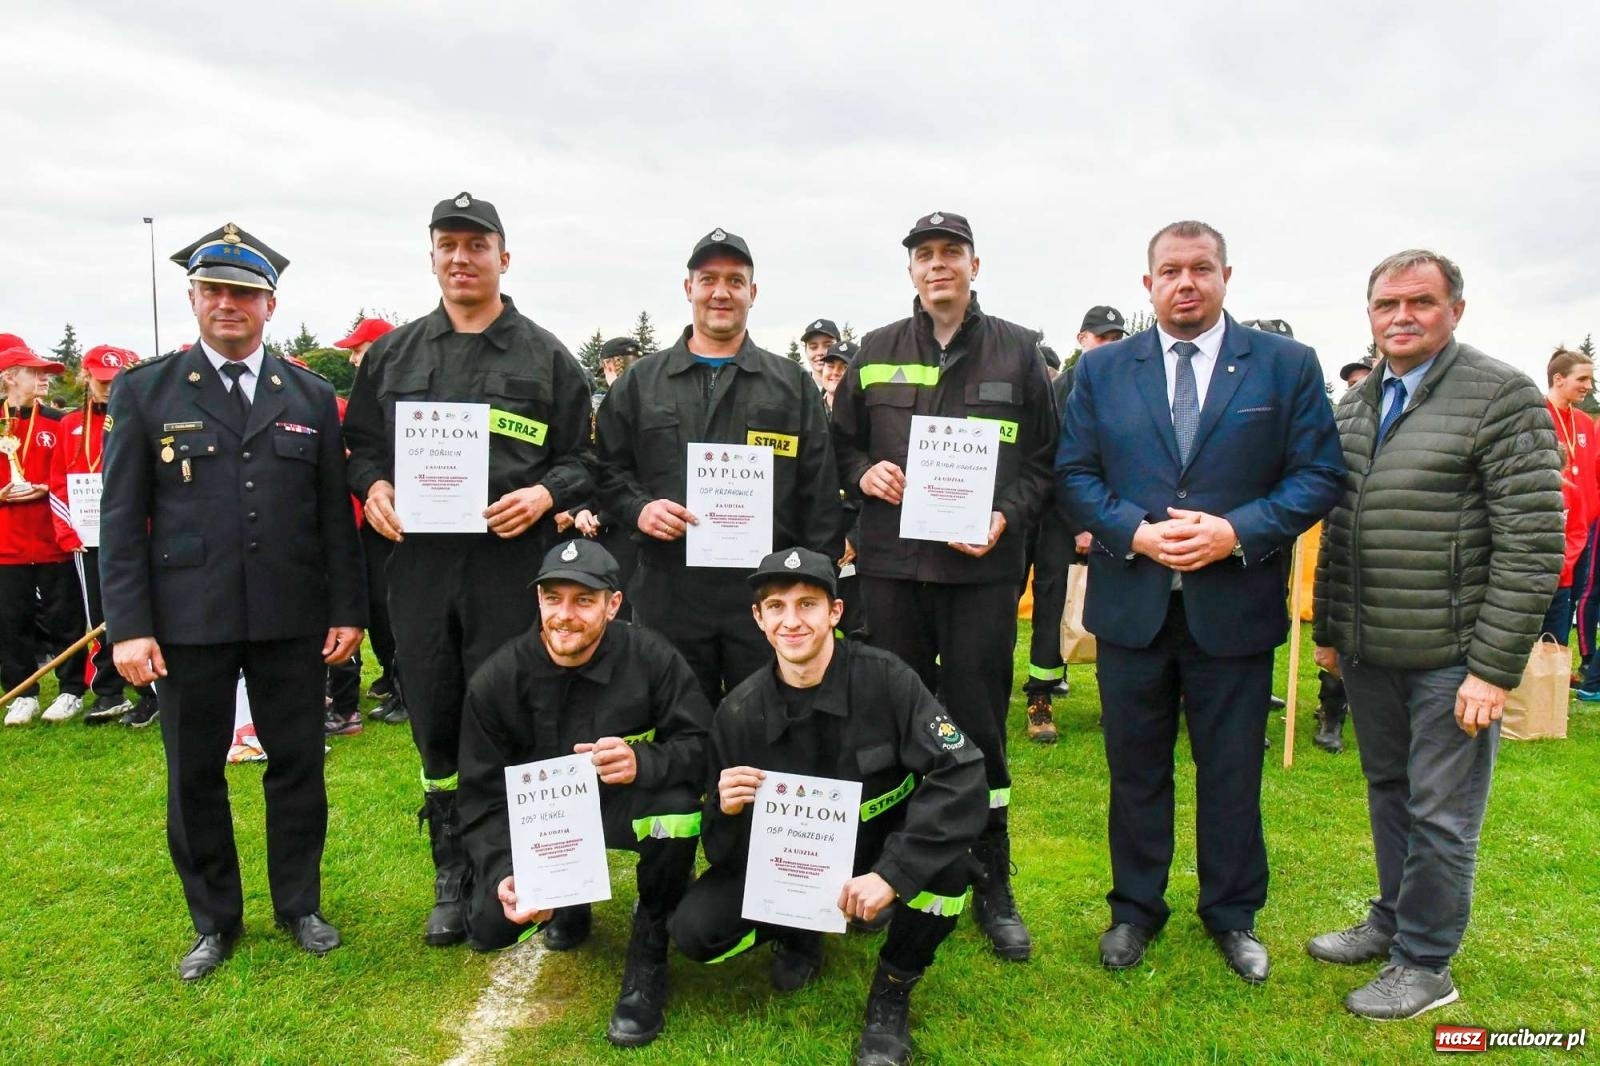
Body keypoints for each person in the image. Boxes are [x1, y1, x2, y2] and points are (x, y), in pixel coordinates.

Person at [1057, 220, 1343, 983]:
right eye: (1170, 271)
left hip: (1233, 607)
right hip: (1133, 609)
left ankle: (1233, 914)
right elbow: (1075, 474)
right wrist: (1136, 534)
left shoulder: (1284, 366)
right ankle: (1134, 910)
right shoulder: (1103, 370)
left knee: (1229, 773)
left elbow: (1317, 475)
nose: (1186, 282)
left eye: (1201, 269)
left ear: (1226, 276)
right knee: (1135, 770)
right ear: (1147, 282)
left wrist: (1237, 531)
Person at [99, 222, 366, 980]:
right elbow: (119, 521)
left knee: (297, 767)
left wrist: (347, 609)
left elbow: (330, 520)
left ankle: (299, 905)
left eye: (244, 294)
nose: (228, 305)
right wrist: (129, 628)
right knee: (194, 775)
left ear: (270, 306)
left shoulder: (309, 395)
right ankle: (215, 921)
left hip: (289, 616)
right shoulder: (146, 390)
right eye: (215, 290)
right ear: (193, 298)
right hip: (189, 620)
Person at [1310, 249, 1563, 1019]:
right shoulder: (1357, 406)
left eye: (1420, 302)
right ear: (1370, 316)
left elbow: (1533, 541)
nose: (1402, 317)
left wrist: (1492, 668)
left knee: (1443, 813)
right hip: (1372, 649)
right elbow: (1341, 528)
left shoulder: (1501, 396)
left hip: (1453, 658)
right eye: (1387, 305)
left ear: (1456, 309)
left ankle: (1426, 962)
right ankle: (1393, 919)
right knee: (1390, 791)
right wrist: (1329, 630)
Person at [344, 192, 594, 948]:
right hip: (419, 568)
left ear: (503, 258)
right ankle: (453, 869)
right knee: (436, 717)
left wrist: (546, 492)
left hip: (508, 565)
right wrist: (374, 487)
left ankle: (551, 876)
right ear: (432, 258)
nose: (462, 258)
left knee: (529, 715)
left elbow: (586, 460)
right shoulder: (393, 355)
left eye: (477, 245)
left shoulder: (545, 355)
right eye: (447, 245)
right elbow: (358, 448)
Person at [830, 210, 1055, 961]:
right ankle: (893, 870)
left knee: (978, 724)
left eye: (950, 253)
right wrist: (863, 471)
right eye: (924, 255)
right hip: (892, 570)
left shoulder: (1020, 352)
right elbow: (839, 446)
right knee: (892, 723)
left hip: (980, 572)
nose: (937, 266)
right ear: (911, 271)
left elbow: (1045, 464)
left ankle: (992, 875)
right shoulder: (874, 350)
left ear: (974, 264)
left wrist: (1005, 514)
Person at [669, 548, 987, 1066]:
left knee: (946, 870)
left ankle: (891, 990)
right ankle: (799, 929)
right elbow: (724, 853)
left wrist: (894, 873)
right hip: (790, 866)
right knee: (695, 932)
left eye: (808, 605)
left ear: (835, 613)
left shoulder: (888, 679)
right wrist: (724, 810)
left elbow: (962, 769)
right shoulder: (738, 713)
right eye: (776, 606)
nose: (791, 621)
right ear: (759, 618)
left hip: (877, 854)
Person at [457, 539, 710, 1048]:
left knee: (677, 811)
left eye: (583, 600)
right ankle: (566, 901)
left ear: (614, 605)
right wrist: (504, 870)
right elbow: (481, 796)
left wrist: (644, 761)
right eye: (553, 598)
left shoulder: (653, 656)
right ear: (539, 601)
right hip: (543, 822)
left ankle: (649, 946)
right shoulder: (497, 678)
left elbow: (701, 745)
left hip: (621, 802)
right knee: (490, 929)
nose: (564, 616)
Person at [593, 228, 842, 707]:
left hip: (764, 591)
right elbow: (606, 469)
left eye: (735, 280)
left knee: (771, 723)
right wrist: (639, 509)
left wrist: (812, 584)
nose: (721, 292)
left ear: (753, 291)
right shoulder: (642, 384)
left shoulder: (790, 385)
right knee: (678, 722)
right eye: (709, 279)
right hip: (670, 589)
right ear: (689, 288)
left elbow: (819, 490)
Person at [1022, 307, 1127, 742]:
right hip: (1058, 521)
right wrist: (1081, 524)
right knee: (1053, 607)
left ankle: (1116, 702)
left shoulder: (1128, 389)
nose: (1109, 344)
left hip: (1111, 520)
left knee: (1114, 611)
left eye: (1116, 336)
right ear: (1082, 338)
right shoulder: (1060, 388)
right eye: (1101, 337)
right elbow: (1056, 463)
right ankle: (1040, 698)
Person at [47, 345, 153, 724]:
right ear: (85, 377)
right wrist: (65, 529)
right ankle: (108, 690)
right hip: (87, 536)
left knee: (144, 610)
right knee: (100, 614)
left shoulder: (142, 415)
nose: (108, 388)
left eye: (115, 380)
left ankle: (149, 690)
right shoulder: (69, 424)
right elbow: (58, 481)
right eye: (101, 380)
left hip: (140, 534)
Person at [0, 345, 80, 726]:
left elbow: (69, 473)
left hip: (53, 541)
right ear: (10, 376)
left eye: (47, 372)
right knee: (9, 619)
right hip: (6, 542)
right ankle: (22, 693)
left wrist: (46, 488)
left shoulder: (58, 422)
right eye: (35, 371)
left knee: (64, 616)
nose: (45, 377)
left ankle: (71, 690)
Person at [332, 316, 405, 722]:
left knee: (394, 609)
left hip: (406, 520)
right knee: (379, 607)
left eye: (358, 350)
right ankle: (396, 684)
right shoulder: (367, 399)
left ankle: (406, 689)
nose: (353, 359)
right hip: (376, 515)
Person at [1538, 348, 1594, 646]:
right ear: (1558, 379)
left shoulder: (1585, 422)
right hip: (1551, 522)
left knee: (1573, 594)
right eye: (1582, 378)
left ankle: (1554, 664)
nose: (1589, 385)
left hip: (1583, 525)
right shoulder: (1536, 415)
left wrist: (1592, 509)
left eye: (1591, 379)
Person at [802, 317, 842, 389]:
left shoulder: (855, 390)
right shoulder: (796, 391)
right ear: (806, 351)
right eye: (813, 347)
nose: (820, 352)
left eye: (828, 346)